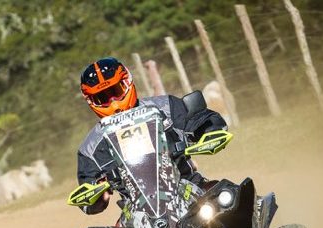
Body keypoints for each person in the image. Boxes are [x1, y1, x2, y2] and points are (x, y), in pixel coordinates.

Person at [76, 57, 227, 215]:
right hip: (135, 212)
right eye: (103, 98)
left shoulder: (165, 106)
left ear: (127, 82)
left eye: (115, 91)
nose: (113, 101)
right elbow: (87, 197)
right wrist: (98, 196)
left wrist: (209, 131)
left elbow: (202, 119)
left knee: (228, 196)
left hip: (187, 188)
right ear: (91, 100)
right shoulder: (90, 147)